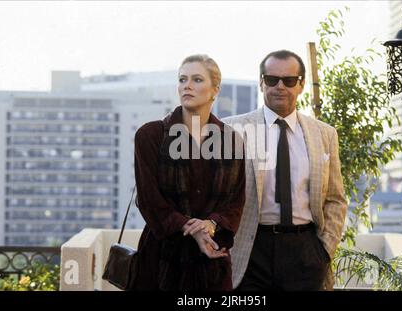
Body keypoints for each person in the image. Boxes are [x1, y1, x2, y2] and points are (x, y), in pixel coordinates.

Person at [223, 50, 347, 290]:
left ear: (300, 85)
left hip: (306, 251)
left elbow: (335, 198)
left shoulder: (325, 134)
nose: (280, 86)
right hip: (250, 250)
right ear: (261, 83)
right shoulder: (233, 129)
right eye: (271, 79)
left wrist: (324, 250)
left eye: (289, 81)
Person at [132, 54, 245, 290]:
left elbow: (236, 201)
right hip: (161, 259)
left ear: (215, 90)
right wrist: (191, 229)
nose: (187, 86)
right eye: (182, 79)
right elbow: (149, 200)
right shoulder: (151, 136)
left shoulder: (231, 140)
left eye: (197, 80)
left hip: (211, 261)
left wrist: (211, 225)